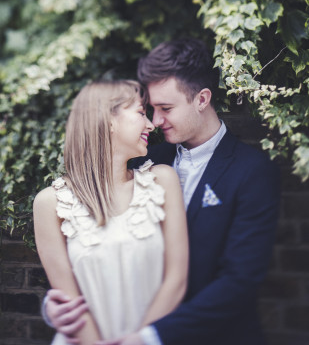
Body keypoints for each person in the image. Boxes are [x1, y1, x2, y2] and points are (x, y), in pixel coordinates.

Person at [44, 39, 280, 345]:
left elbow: (239, 282)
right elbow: (109, 252)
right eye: (151, 109)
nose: (155, 122)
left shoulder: (251, 171)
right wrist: (60, 308)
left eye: (165, 108)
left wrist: (148, 337)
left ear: (202, 99)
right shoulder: (142, 161)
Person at [33, 79, 188, 345]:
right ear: (109, 120)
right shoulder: (50, 203)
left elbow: (177, 280)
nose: (151, 124)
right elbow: (69, 300)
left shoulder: (162, 180)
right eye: (141, 113)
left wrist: (139, 340)